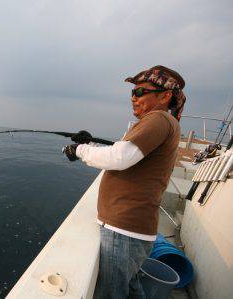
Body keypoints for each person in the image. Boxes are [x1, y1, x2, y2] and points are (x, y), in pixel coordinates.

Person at [63, 65, 186, 298]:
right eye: (132, 92)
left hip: (124, 230)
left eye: (141, 92)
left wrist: (79, 150)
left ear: (165, 95)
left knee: (112, 293)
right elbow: (127, 154)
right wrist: (89, 145)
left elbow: (119, 158)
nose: (133, 97)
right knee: (130, 288)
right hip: (131, 229)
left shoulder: (158, 119)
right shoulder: (163, 122)